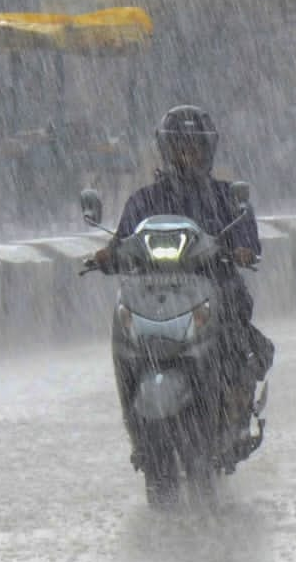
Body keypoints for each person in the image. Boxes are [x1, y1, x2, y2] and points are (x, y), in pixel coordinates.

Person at [94, 105, 274, 469]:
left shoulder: (227, 199)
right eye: (179, 147)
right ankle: (138, 428)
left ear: (208, 151)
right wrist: (106, 255)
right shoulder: (143, 201)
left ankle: (234, 407)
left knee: (236, 336)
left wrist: (239, 251)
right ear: (165, 150)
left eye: (194, 147)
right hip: (152, 298)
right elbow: (122, 240)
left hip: (213, 291)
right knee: (125, 343)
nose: (186, 155)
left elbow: (248, 241)